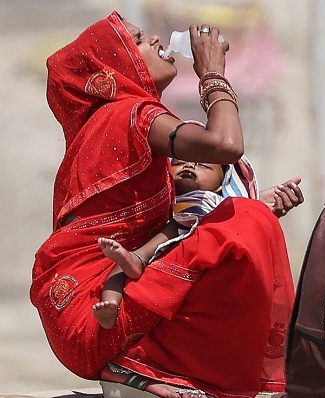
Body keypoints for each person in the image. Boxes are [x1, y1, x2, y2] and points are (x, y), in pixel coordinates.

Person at [32, 11, 298, 397]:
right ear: (118, 66)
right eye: (139, 40)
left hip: (81, 312)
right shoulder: (130, 114)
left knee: (248, 220)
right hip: (96, 310)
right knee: (248, 221)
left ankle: (161, 364)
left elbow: (188, 219)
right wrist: (213, 74)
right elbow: (226, 146)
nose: (156, 40)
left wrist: (253, 205)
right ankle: (150, 366)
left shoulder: (110, 122)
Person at [92, 158, 303, 329]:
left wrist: (255, 205)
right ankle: (111, 306)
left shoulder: (222, 207)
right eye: (178, 162)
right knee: (122, 265)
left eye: (203, 164)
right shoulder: (156, 205)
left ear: (224, 181)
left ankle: (135, 261)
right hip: (158, 261)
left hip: (195, 289)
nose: (189, 165)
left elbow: (236, 217)